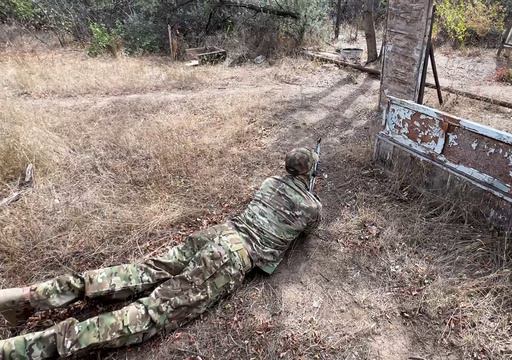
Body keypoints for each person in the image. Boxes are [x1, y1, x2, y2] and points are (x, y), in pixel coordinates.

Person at [0, 147, 322, 360]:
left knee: (137, 272)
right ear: (308, 173)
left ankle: (26, 296)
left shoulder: (269, 183)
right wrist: (310, 189)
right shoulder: (311, 206)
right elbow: (308, 226)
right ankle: (28, 348)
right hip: (232, 255)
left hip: (217, 234)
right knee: (153, 313)